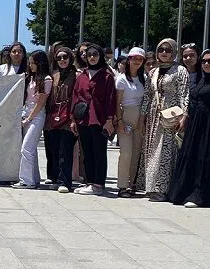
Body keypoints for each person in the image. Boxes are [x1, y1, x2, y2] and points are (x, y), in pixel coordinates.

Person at [169, 48, 210, 208]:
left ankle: (200, 196)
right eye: (203, 61)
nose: (206, 64)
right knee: (192, 156)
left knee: (205, 159)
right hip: (196, 125)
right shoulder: (203, 80)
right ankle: (185, 192)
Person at [141, 39, 190, 200]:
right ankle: (151, 186)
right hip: (153, 116)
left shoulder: (180, 70)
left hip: (171, 116)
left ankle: (163, 189)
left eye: (168, 50)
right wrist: (143, 116)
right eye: (161, 49)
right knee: (152, 151)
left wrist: (184, 115)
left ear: (174, 52)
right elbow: (147, 95)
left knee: (166, 152)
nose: (164, 53)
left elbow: (184, 94)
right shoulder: (153, 71)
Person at [76, 43, 117, 194]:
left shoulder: (107, 76)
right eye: (89, 55)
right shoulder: (82, 76)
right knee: (87, 152)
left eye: (95, 54)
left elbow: (111, 99)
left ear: (100, 56)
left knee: (99, 151)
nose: (92, 57)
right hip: (83, 119)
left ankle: (98, 184)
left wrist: (109, 119)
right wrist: (74, 119)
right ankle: (89, 182)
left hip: (100, 119)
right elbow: (76, 96)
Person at [13, 50, 51, 189]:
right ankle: (34, 179)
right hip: (26, 113)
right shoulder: (30, 78)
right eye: (29, 63)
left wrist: (29, 119)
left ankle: (26, 180)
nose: (31, 66)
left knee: (26, 148)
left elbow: (41, 103)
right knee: (31, 150)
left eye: (33, 63)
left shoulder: (46, 79)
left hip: (37, 116)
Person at [43, 47, 78, 192]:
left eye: (65, 57)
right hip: (53, 117)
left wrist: (74, 118)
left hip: (69, 117)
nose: (62, 60)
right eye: (59, 58)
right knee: (54, 150)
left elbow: (78, 97)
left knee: (66, 150)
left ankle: (65, 181)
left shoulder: (77, 75)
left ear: (70, 58)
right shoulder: (54, 75)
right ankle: (56, 178)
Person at [115, 47, 147, 197]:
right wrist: (120, 121)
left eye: (140, 59)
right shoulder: (121, 79)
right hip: (126, 117)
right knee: (126, 153)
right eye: (134, 58)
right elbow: (117, 103)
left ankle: (132, 183)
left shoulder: (144, 78)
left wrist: (142, 120)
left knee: (136, 153)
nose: (137, 61)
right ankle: (122, 185)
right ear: (129, 60)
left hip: (140, 118)